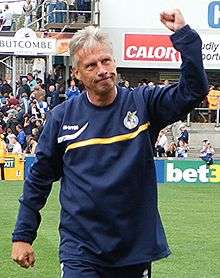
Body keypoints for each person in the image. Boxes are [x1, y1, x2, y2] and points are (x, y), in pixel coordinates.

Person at [11, 10, 208, 278]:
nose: (102, 70)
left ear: (114, 62)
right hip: (81, 248)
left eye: (106, 60)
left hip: (133, 248)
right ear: (77, 74)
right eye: (91, 65)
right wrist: (23, 235)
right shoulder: (61, 118)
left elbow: (193, 90)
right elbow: (39, 179)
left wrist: (184, 35)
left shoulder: (144, 103)